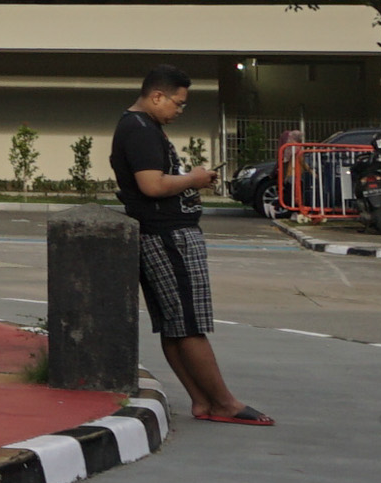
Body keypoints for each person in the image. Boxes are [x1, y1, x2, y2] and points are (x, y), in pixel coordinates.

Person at [115, 66, 268, 424]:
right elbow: (152, 185)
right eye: (178, 103)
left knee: (175, 324)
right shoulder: (139, 130)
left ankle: (203, 401)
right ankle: (224, 403)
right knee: (188, 323)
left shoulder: (140, 127)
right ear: (157, 96)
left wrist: (190, 179)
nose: (180, 110)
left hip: (161, 233)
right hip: (168, 235)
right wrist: (193, 179)